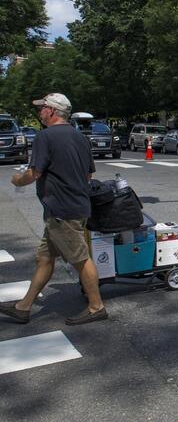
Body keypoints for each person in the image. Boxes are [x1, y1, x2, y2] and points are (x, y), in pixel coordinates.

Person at [2, 93, 108, 325]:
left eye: (42, 108)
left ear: (52, 111)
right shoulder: (80, 138)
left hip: (62, 211)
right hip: (76, 206)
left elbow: (35, 173)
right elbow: (88, 174)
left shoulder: (45, 136)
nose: (39, 112)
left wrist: (17, 180)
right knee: (44, 258)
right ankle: (24, 306)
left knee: (80, 259)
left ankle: (96, 306)